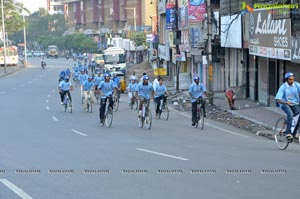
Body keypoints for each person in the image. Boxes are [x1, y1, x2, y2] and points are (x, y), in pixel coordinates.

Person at [275, 72, 300, 139]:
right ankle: (288, 133)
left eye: (293, 79)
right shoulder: (283, 87)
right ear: (286, 80)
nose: (292, 81)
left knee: (298, 117)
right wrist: (285, 102)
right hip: (284, 104)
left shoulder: (297, 85)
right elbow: (277, 99)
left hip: (295, 104)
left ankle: (293, 133)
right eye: (290, 79)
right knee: (290, 114)